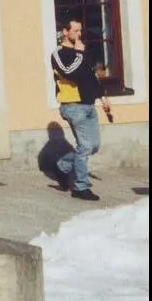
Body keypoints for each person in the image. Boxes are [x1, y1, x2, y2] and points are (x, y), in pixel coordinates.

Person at [51, 15, 114, 200]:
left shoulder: (83, 52)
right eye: (75, 30)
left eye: (80, 30)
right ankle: (80, 187)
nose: (79, 34)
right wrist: (80, 54)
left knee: (93, 146)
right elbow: (71, 73)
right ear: (65, 32)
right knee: (85, 146)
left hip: (88, 104)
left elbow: (90, 76)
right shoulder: (59, 53)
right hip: (72, 105)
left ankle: (63, 167)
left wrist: (103, 97)